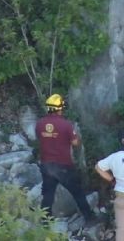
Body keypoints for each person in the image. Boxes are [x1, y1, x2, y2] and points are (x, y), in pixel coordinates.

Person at [35, 94, 98, 224]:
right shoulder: (66, 125)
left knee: (48, 195)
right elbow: (75, 143)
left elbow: (40, 139)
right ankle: (89, 218)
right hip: (63, 166)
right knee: (77, 192)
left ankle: (45, 222)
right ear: (60, 108)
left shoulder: (40, 124)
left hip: (46, 165)